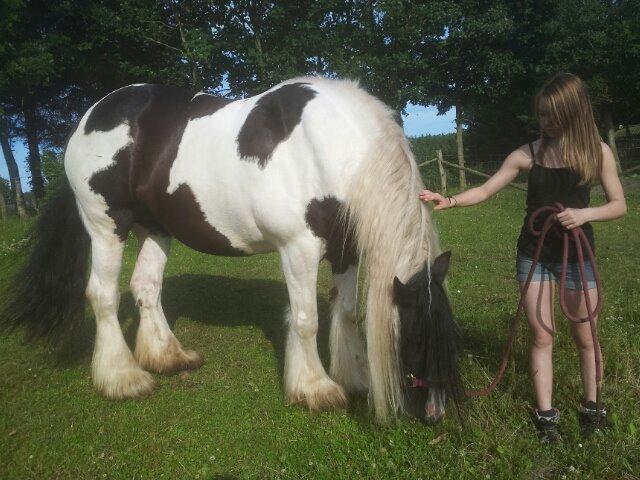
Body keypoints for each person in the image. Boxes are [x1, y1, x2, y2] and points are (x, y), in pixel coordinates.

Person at [419, 73, 627, 442]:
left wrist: (584, 214)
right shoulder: (527, 155)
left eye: (551, 115)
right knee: (541, 335)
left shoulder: (597, 153)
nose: (543, 122)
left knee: (585, 337)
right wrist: (448, 200)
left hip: (577, 255)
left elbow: (618, 205)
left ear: (572, 113)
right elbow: (485, 190)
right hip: (534, 256)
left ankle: (592, 408)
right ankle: (546, 416)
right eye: (541, 115)